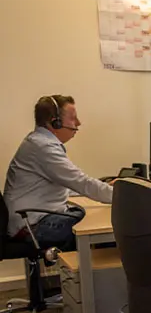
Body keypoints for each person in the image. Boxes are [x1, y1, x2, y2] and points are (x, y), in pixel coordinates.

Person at [4, 95, 113, 251]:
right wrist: (122, 196)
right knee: (106, 224)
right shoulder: (43, 147)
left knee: (91, 217)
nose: (78, 123)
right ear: (55, 122)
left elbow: (70, 184)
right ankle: (103, 267)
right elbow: (81, 182)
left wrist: (104, 187)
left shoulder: (38, 142)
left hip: (31, 219)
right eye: (73, 118)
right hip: (32, 226)